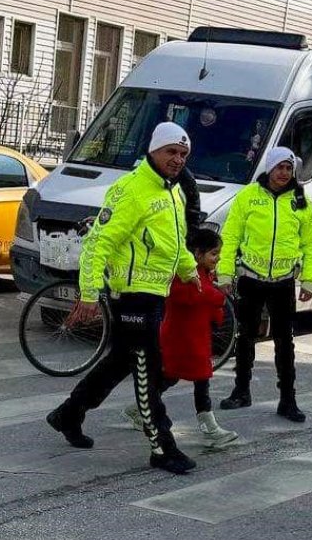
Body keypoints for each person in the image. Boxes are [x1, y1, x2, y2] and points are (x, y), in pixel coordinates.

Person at [45, 122, 201, 475]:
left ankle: (68, 414)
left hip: (154, 293)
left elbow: (174, 242)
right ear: (153, 151)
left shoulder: (172, 190)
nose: (177, 159)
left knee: (120, 362)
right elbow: (98, 244)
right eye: (170, 152)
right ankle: (162, 446)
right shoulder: (131, 190)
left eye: (182, 154)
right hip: (131, 297)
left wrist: (190, 272)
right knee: (147, 368)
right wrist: (88, 293)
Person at [217, 147, 312, 423]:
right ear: (269, 168)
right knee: (245, 337)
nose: (284, 174)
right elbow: (230, 237)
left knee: (284, 342)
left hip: (283, 282)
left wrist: (309, 279)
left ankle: (288, 399)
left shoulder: (301, 202)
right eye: (279, 168)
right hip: (251, 279)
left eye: (289, 169)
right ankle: (241, 391)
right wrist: (224, 275)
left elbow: (311, 243)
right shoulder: (248, 197)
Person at [124, 227, 238, 447]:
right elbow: (196, 295)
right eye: (213, 253)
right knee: (190, 378)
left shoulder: (201, 273)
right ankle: (209, 427)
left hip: (193, 338)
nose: (218, 258)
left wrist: (217, 310)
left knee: (176, 377)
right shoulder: (184, 274)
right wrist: (218, 300)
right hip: (182, 339)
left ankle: (139, 408)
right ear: (197, 253)